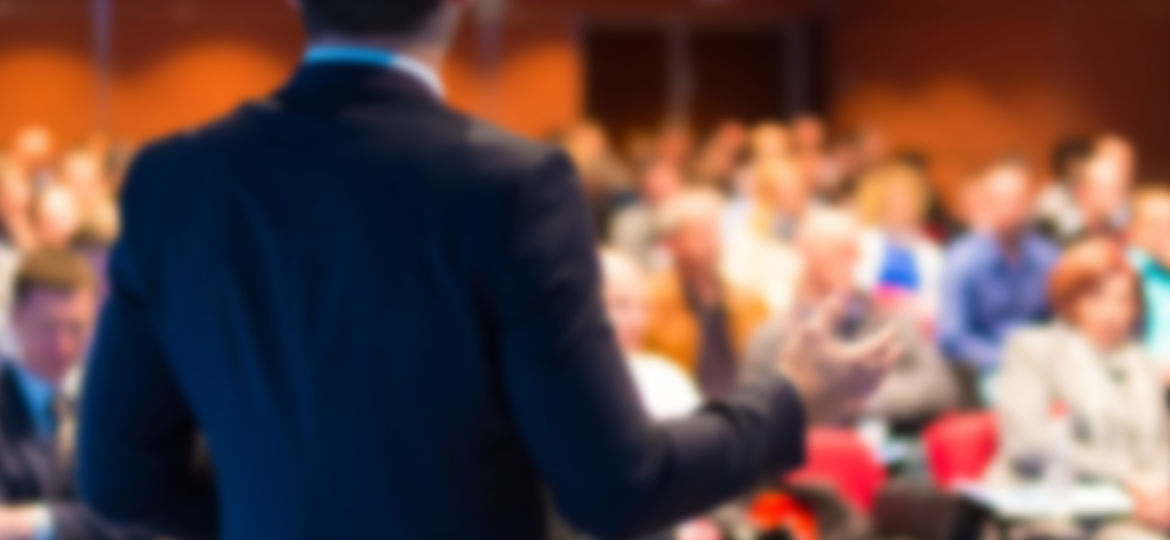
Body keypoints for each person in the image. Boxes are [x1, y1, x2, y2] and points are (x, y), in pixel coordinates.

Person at [75, 1, 898, 539]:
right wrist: (788, 400)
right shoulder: (507, 186)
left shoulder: (173, 179)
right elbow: (615, 486)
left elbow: (116, 482)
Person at [988, 239, 1170, 540]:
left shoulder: (1142, 362)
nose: (1113, 312)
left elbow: (1162, 444)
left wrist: (1161, 489)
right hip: (1055, 511)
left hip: (1136, 508)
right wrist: (1128, 478)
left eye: (1124, 301)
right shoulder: (1034, 350)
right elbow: (1027, 444)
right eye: (1097, 298)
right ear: (1070, 300)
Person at [746, 210, 957, 429]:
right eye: (841, 250)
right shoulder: (774, 334)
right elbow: (756, 413)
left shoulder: (888, 318)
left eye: (855, 249)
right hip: (810, 454)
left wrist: (863, 398)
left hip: (886, 447)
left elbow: (939, 386)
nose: (854, 258)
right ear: (805, 251)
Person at [0, 249, 149, 539]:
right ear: (16, 317)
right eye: (48, 327)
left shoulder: (115, 404)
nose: (62, 346)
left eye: (76, 328)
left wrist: (37, 520)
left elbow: (142, 516)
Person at [938, 157, 1059, 381]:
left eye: (1017, 200)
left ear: (1030, 204)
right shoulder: (962, 259)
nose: (1009, 209)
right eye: (1000, 200)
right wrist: (1007, 359)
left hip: (1044, 362)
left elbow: (1061, 322)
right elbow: (952, 338)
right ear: (985, 204)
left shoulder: (1048, 257)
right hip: (987, 369)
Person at [645, 189, 770, 400]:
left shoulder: (750, 301)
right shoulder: (650, 301)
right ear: (673, 242)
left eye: (716, 230)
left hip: (742, 407)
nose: (714, 241)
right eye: (701, 233)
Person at [599, 249, 699, 421]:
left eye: (643, 306)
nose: (638, 321)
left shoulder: (664, 376)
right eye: (621, 305)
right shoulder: (563, 388)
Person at [854, 162, 944, 330]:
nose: (900, 206)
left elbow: (935, 305)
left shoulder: (930, 253)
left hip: (916, 330)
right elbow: (859, 290)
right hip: (869, 326)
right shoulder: (863, 241)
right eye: (894, 200)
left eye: (907, 200)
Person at [608, 161, 685, 270]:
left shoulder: (695, 216)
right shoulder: (627, 221)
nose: (659, 192)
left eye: (665, 186)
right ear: (643, 190)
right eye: (653, 187)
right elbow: (623, 258)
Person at [1128, 186, 1170, 368]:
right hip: (1142, 374)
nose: (1165, 230)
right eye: (1155, 223)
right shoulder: (1126, 270)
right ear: (1133, 228)